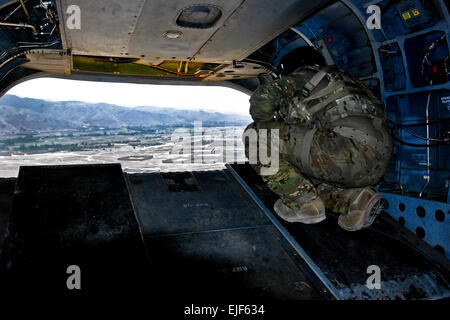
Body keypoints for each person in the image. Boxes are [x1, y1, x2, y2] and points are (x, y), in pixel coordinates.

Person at [243, 65, 393, 231]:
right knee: (303, 175)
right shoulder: (350, 83)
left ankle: (303, 204)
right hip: (377, 162)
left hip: (346, 148)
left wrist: (263, 123)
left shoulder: (306, 75)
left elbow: (263, 99)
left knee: (254, 134)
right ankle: (356, 199)